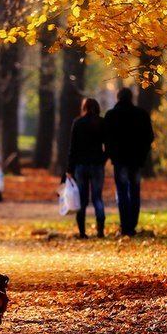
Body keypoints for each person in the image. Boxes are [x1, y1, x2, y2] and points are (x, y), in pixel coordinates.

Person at [103, 87, 154, 237]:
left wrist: (111, 154)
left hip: (119, 160)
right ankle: (132, 225)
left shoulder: (111, 115)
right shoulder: (141, 114)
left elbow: (106, 138)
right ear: (131, 98)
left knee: (122, 192)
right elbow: (149, 137)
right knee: (134, 191)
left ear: (118, 98)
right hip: (136, 160)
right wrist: (142, 153)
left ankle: (125, 226)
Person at [67, 98, 107, 238]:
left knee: (82, 199)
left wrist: (70, 169)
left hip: (80, 166)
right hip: (97, 165)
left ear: (83, 107)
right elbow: (107, 145)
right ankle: (100, 230)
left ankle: (82, 232)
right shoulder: (101, 123)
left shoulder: (78, 123)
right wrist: (103, 159)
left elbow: (73, 148)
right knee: (97, 198)